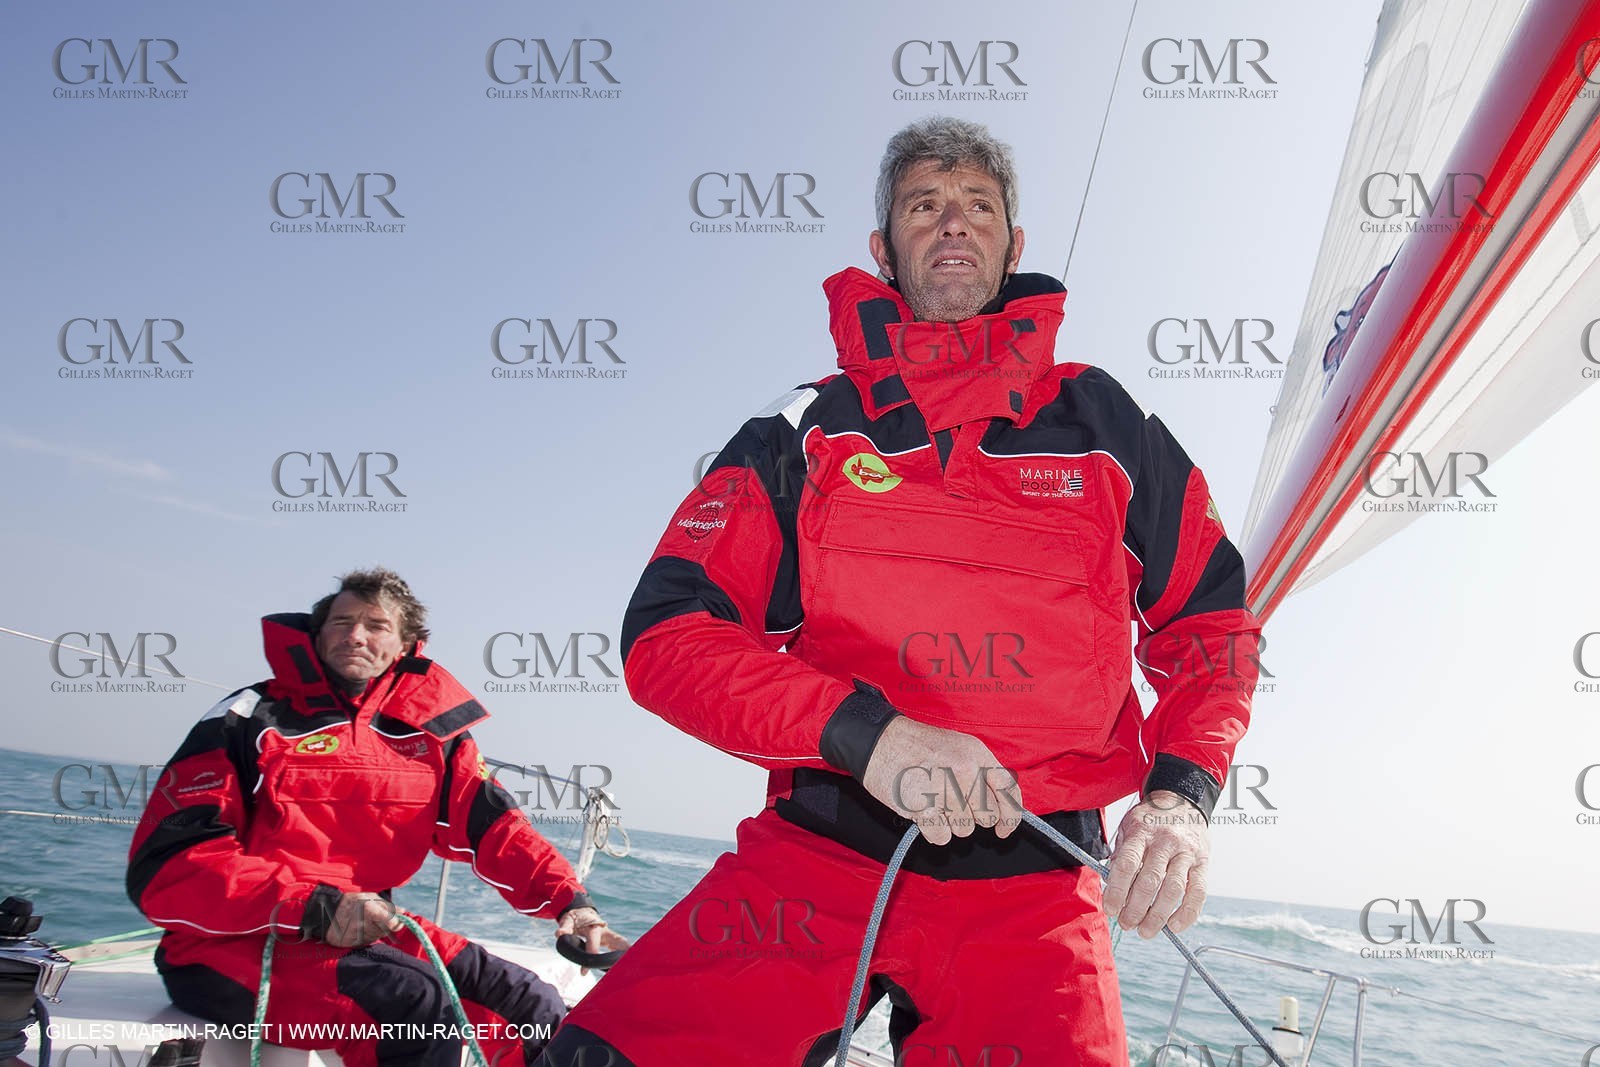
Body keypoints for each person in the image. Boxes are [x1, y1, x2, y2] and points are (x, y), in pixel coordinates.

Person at [538, 116, 1262, 1067]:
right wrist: (870, 735)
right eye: (924, 205)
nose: (953, 222)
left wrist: (1181, 796)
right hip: (817, 854)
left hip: (1037, 890)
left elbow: (1211, 623)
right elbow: (668, 636)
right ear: (883, 249)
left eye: (978, 206)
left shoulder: (1109, 427)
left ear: (1013, 244)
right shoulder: (806, 429)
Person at [127, 568, 629, 1067]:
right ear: (318, 633)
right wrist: (315, 908)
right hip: (229, 945)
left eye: (376, 625)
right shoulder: (250, 719)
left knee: (531, 1004)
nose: (355, 635)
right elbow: (169, 866)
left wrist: (572, 905)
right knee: (414, 1009)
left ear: (406, 644)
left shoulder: (431, 735)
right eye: (341, 622)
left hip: (363, 930)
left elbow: (497, 831)